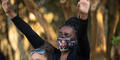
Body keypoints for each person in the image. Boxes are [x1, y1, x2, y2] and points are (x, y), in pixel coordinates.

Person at [1, 0, 90, 60]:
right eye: (60, 34)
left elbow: (82, 37)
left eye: (66, 35)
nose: (62, 37)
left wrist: (83, 16)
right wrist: (10, 12)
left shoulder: (81, 54)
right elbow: (29, 33)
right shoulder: (54, 54)